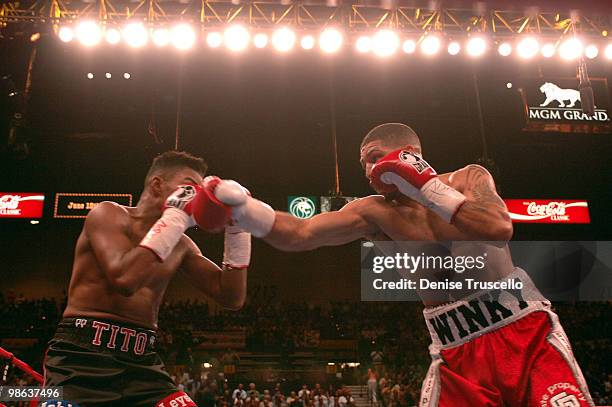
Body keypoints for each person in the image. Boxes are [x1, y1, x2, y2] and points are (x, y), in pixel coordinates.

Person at [207, 123, 594, 406]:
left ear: (408, 153)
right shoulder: (373, 212)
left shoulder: (468, 179)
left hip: (525, 333)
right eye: (362, 163)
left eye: (373, 157)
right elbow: (301, 233)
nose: (367, 170)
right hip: (457, 351)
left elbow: (498, 228)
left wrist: (426, 187)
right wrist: (246, 210)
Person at [43, 151, 251, 406]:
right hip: (80, 358)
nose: (197, 194)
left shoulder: (181, 244)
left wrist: (238, 229)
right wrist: (175, 218)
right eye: (190, 185)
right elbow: (125, 279)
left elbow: (231, 297)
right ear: (157, 185)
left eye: (200, 188)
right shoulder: (108, 215)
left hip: (141, 363)